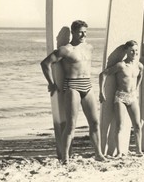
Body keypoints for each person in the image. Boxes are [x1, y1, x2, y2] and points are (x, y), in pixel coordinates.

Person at [40, 20, 106, 163]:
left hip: (87, 85)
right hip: (72, 86)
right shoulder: (66, 49)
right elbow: (45, 63)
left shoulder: (89, 47)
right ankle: (65, 158)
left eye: (85, 32)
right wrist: (51, 83)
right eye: (81, 32)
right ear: (73, 32)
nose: (84, 35)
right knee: (71, 125)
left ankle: (98, 154)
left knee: (95, 123)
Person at [99, 40, 144, 156]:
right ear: (126, 51)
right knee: (120, 125)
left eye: (136, 50)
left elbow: (140, 76)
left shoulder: (139, 65)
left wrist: (136, 88)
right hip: (121, 97)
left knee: (138, 125)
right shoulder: (121, 65)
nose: (135, 53)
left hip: (133, 97)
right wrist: (101, 92)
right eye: (132, 51)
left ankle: (138, 151)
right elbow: (103, 74)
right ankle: (119, 152)